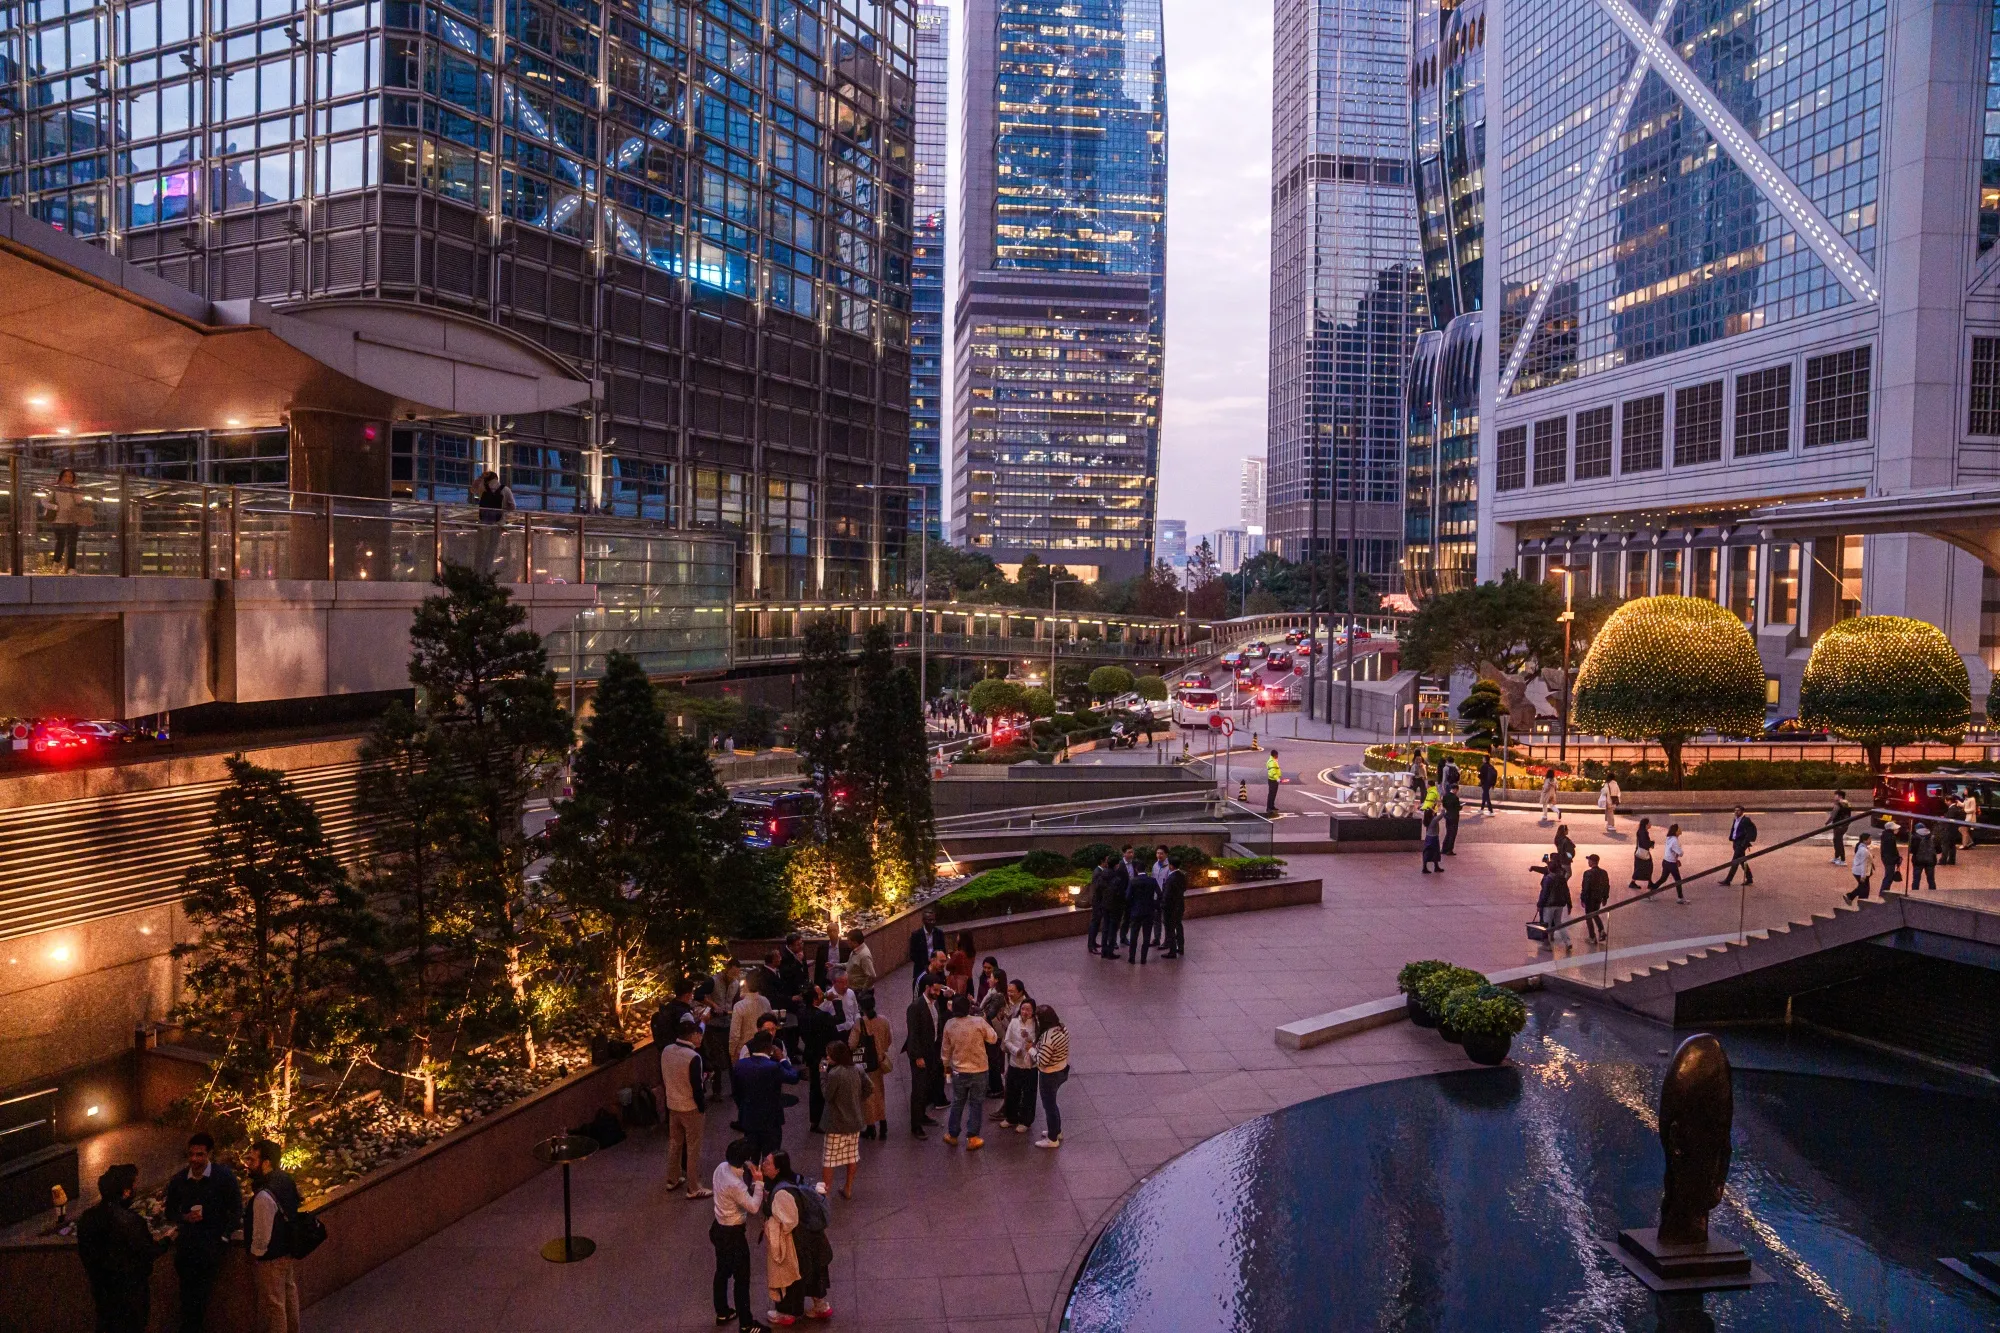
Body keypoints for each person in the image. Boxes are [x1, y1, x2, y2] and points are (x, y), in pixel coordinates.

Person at [164, 1131, 240, 1333]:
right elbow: (170, 1211)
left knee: (203, 1295)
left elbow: (236, 1208)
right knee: (188, 1295)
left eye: (199, 1155)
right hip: (187, 1247)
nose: (194, 1159)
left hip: (211, 1245)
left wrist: (224, 1236)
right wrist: (184, 1218)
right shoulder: (179, 1180)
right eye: (191, 1155)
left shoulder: (223, 1178)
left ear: (209, 1155)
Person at [77, 1163, 166, 1333]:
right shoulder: (131, 1222)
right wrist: (167, 1240)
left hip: (102, 1292)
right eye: (133, 1185)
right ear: (125, 1191)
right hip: (130, 1296)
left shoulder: (87, 1218)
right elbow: (148, 1251)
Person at [760, 1151, 831, 1325]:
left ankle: (787, 1313)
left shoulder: (781, 1192)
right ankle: (820, 1306)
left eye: (768, 1163)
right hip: (813, 1236)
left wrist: (770, 1223)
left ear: (777, 1169)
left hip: (798, 1242)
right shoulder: (794, 1180)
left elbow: (789, 1222)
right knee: (815, 1271)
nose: (763, 1164)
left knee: (793, 1276)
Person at [709, 1140, 768, 1332]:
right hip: (733, 1234)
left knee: (723, 1271)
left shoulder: (721, 1168)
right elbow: (753, 1207)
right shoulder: (735, 1184)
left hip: (718, 1227)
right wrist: (759, 1183)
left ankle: (722, 1310)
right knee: (742, 1279)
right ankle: (746, 1324)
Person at [245, 1139, 303, 1333]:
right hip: (287, 1249)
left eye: (252, 1160)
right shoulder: (285, 1179)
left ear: (266, 1163)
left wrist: (255, 1253)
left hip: (271, 1257)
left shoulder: (263, 1195)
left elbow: (262, 1233)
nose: (248, 1164)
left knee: (274, 1305)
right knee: (289, 1294)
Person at [660, 1016, 713, 1199]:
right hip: (690, 1107)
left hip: (672, 1105)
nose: (700, 1039)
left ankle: (672, 1179)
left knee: (675, 1143)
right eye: (699, 1035)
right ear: (692, 1035)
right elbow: (697, 1087)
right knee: (693, 1147)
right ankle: (693, 1186)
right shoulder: (693, 1057)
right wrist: (702, 1107)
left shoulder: (666, 1051)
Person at [940, 993, 999, 1148]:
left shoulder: (949, 1024)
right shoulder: (978, 1022)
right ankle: (972, 1137)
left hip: (959, 1071)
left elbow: (945, 1050)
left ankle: (952, 1134)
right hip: (979, 1069)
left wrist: (946, 1066)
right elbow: (993, 1038)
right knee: (976, 1104)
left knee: (957, 1103)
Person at [732, 1032, 800, 1158]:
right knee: (771, 1158)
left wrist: (743, 1107)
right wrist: (783, 1059)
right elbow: (793, 1077)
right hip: (771, 1120)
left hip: (749, 1117)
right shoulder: (773, 1067)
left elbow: (736, 1093)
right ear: (770, 1047)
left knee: (751, 1156)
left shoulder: (740, 1065)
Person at [819, 1040, 868, 1199]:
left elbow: (827, 1095)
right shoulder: (858, 1069)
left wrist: (822, 1072)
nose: (827, 1056)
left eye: (829, 1054)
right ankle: (848, 1187)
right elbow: (870, 1087)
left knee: (829, 1159)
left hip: (836, 1123)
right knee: (852, 1155)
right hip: (854, 1121)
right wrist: (858, 1099)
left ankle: (825, 1193)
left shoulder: (835, 1074)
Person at [901, 978, 946, 1138]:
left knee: (927, 1087)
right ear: (927, 988)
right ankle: (916, 1126)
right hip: (920, 1054)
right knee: (919, 1090)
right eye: (935, 990)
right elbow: (913, 1034)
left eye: (939, 991)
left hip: (932, 1052)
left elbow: (937, 1025)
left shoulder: (935, 1003)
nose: (937, 993)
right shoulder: (915, 1007)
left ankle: (922, 1115)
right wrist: (917, 1056)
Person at [796, 985, 840, 1132]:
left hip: (810, 1055)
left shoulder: (802, 1013)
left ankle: (814, 1119)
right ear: (815, 999)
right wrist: (836, 1001)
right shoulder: (822, 1016)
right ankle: (823, 1119)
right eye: (820, 994)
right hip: (823, 1059)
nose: (823, 995)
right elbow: (838, 1022)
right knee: (823, 1083)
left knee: (814, 1086)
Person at [999, 986, 1040, 1133]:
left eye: (1028, 1009)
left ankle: (1026, 1120)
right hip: (1015, 1063)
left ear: (1033, 1011)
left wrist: (1029, 1039)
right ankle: (1011, 1117)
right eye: (1023, 1009)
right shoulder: (1014, 1022)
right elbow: (1007, 1040)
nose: (1025, 1012)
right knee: (1012, 1091)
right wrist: (1015, 1050)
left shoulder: (1036, 1025)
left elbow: (1038, 1042)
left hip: (1030, 1066)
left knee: (1029, 1093)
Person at [856, 993, 892, 1141]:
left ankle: (871, 1127)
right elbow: (889, 1040)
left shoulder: (859, 1023)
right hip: (879, 1062)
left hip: (865, 1064)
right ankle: (883, 1125)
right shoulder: (883, 1021)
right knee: (879, 1093)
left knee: (867, 1097)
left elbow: (852, 1044)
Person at [1033, 1004, 1069, 1149]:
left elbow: (1041, 1061)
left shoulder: (1048, 1038)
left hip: (1049, 1074)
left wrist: (1031, 1050)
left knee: (1049, 1105)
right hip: (1062, 1069)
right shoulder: (1062, 1028)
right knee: (1052, 1103)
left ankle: (1052, 1138)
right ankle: (1056, 1130)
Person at [977, 964, 1010, 1098]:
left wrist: (979, 1013)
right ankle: (994, 1086)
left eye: (990, 978)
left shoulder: (997, 996)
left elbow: (989, 1014)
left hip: (993, 1031)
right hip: (991, 1030)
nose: (988, 980)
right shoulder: (994, 993)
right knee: (992, 1059)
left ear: (996, 980)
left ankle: (996, 1087)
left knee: (993, 1060)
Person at [474, 470, 515, 572]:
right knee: (491, 550)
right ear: (496, 478)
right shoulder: (505, 490)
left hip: (483, 525)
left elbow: (472, 489)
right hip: (497, 525)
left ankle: (476, 571)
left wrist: (480, 477)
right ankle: (487, 571)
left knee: (480, 549)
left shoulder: (482, 489)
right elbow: (512, 506)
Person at [730, 974, 772, 1065]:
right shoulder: (765, 1001)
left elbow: (735, 1034)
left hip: (745, 1050)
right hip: (763, 1048)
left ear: (747, 984)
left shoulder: (740, 1006)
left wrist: (732, 1052)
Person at [1536, 857, 1573, 954]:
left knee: (1545, 924)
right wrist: (1569, 904)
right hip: (1560, 904)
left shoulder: (1548, 879)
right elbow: (1566, 892)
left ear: (1549, 869)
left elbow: (1544, 894)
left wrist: (1540, 904)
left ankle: (1546, 944)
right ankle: (1568, 941)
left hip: (1549, 905)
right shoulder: (1562, 878)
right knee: (1558, 923)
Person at [1124, 864, 1159, 963]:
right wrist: (1154, 904)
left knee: (1134, 935)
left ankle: (1132, 957)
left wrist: (1132, 906)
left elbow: (1127, 897)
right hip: (1149, 911)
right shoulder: (1152, 881)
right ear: (1145, 869)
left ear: (1136, 869)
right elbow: (1159, 894)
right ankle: (1143, 958)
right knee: (1147, 936)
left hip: (1136, 911)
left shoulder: (1133, 881)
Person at [1100, 850, 1132, 959]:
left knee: (1105, 928)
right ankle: (1110, 952)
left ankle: (1104, 951)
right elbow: (1120, 894)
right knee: (1113, 929)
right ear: (1116, 865)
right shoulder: (1116, 879)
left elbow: (1099, 890)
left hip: (1105, 905)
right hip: (1114, 907)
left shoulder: (1102, 875)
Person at [1086, 853, 1119, 956]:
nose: (1107, 862)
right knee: (1095, 922)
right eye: (1106, 860)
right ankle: (1091, 945)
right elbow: (1098, 889)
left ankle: (1094, 942)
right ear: (1102, 861)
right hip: (1098, 902)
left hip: (1100, 901)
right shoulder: (1098, 872)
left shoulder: (1101, 872)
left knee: (1097, 922)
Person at [907, 909, 947, 992]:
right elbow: (912, 954)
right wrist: (925, 965)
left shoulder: (939, 933)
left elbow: (943, 950)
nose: (932, 922)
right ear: (924, 921)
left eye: (933, 920)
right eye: (930, 920)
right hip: (921, 969)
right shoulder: (916, 935)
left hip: (937, 968)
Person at [1720, 806, 1757, 886]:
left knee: (1735, 862)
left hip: (1741, 844)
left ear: (1742, 811)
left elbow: (1750, 832)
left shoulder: (1746, 820)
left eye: (1738, 810)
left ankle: (1728, 880)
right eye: (1735, 810)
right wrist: (1732, 838)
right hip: (1736, 843)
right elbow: (1734, 830)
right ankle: (1749, 878)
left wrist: (1744, 844)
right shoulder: (1735, 819)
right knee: (1742, 861)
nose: (1736, 812)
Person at [1579, 853, 1611, 946]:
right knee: (1596, 914)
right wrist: (1605, 898)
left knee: (1588, 917)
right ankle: (1601, 931)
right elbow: (1607, 886)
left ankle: (1592, 937)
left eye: (1589, 860)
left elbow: (1585, 887)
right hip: (1598, 898)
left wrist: (1583, 899)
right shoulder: (1604, 873)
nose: (1588, 862)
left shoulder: (1588, 873)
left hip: (1590, 898)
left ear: (1592, 862)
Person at [1161, 854, 1189, 959]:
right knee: (1178, 925)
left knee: (1170, 929)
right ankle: (1180, 947)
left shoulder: (1171, 878)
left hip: (1170, 907)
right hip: (1179, 905)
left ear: (1171, 866)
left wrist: (1163, 905)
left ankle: (1172, 951)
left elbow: (1167, 895)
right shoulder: (1182, 875)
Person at [842, 928, 877, 1003]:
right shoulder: (855, 951)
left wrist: (863, 991)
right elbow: (851, 965)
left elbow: (872, 975)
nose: (847, 942)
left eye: (849, 941)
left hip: (860, 992)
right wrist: (835, 965)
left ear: (855, 942)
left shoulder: (864, 955)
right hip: (855, 990)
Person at [1910, 820, 1940, 892]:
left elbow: (1911, 850)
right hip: (1930, 861)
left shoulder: (1915, 837)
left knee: (1916, 879)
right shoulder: (1933, 837)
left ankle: (1914, 893)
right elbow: (1939, 850)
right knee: (1931, 879)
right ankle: (1933, 894)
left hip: (1918, 861)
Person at [1658, 823, 1686, 901]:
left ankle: (1651, 891)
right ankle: (1680, 898)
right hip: (1671, 863)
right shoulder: (1674, 841)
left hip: (1666, 861)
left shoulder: (1670, 838)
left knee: (1663, 879)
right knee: (1678, 880)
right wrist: (1680, 851)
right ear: (1676, 831)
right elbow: (1680, 853)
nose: (1680, 829)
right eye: (1679, 829)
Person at [1844, 834, 1875, 904]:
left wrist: (1871, 856)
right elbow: (1864, 864)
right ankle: (1856, 899)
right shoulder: (1864, 850)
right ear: (1864, 840)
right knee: (1864, 889)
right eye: (1869, 839)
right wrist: (1863, 876)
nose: (1871, 840)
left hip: (1858, 871)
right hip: (1861, 872)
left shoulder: (1861, 847)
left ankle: (1854, 898)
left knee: (1863, 887)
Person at [945, 931, 977, 995]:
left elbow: (948, 967)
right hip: (969, 981)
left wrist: (950, 957)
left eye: (958, 936)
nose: (957, 937)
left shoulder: (958, 954)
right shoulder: (972, 952)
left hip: (959, 982)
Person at [1828, 790, 1854, 865]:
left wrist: (1826, 823)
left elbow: (1833, 815)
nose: (1834, 797)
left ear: (1840, 796)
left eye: (1835, 795)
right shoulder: (1847, 803)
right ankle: (1837, 857)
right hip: (1845, 824)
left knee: (1838, 841)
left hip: (1838, 824)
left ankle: (1842, 860)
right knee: (1837, 840)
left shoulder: (1838, 804)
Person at [1630, 818, 1656, 892]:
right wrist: (1651, 843)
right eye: (1649, 823)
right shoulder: (1644, 832)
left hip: (1640, 853)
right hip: (1642, 853)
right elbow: (1644, 843)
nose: (1650, 824)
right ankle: (1648, 883)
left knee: (1640, 868)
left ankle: (1648, 882)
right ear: (1646, 824)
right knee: (1648, 867)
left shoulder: (1641, 831)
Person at [1879, 819, 1903, 893]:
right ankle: (1883, 892)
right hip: (1890, 860)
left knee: (1888, 876)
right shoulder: (1891, 838)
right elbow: (1893, 850)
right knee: (1889, 876)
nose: (1898, 829)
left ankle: (1884, 891)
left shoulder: (1885, 836)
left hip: (1886, 859)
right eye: (1896, 828)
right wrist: (1897, 858)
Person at [1441, 777, 1462, 856]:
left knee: (1448, 833)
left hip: (1447, 816)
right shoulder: (1455, 798)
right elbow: (1458, 807)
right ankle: (1449, 850)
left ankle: (1444, 849)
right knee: (1453, 834)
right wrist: (1460, 807)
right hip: (1454, 817)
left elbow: (1444, 804)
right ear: (1456, 789)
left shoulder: (1446, 796)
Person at [1420, 808, 1443, 874]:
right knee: (1435, 852)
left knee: (1427, 852)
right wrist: (1442, 808)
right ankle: (1435, 866)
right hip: (1434, 838)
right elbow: (1442, 815)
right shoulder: (1434, 820)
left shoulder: (1427, 820)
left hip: (1428, 837)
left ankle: (1425, 867)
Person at [1266, 749, 1282, 815]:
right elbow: (1272, 772)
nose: (1277, 756)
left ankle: (1272, 806)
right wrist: (1277, 778)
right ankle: (1269, 808)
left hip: (1274, 780)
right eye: (1277, 755)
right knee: (1271, 794)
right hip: (1272, 780)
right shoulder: (1272, 762)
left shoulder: (1274, 760)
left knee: (1273, 794)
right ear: (1274, 755)